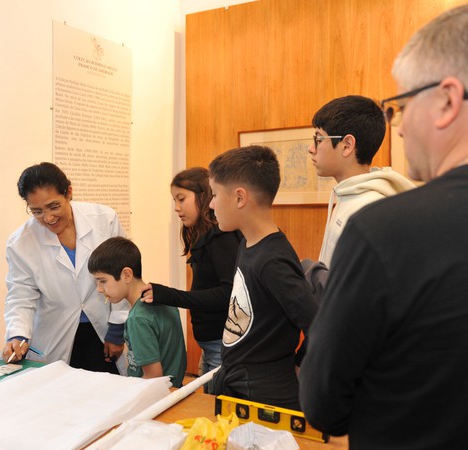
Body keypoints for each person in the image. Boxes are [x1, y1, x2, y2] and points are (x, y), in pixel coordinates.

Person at [299, 2, 468, 450]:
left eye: (401, 106)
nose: (398, 126)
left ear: (448, 101)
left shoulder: (384, 232)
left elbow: (323, 404)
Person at [208, 145, 315, 410]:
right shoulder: (247, 243)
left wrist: (301, 365)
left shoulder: (272, 261)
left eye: (215, 194)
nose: (211, 204)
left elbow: (319, 323)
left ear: (239, 198)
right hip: (240, 385)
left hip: (265, 397)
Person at [2, 162, 129, 375]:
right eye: (37, 211)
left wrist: (117, 328)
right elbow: (20, 295)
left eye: (54, 207)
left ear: (68, 193)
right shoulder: (21, 242)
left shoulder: (104, 219)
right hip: (56, 333)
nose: (48, 218)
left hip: (103, 329)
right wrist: (17, 335)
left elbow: (123, 277)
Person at [141, 168, 240, 389]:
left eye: (181, 199)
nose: (176, 208)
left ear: (203, 196)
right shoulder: (206, 237)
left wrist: (169, 295)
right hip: (212, 344)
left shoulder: (222, 238)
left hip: (222, 343)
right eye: (174, 200)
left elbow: (227, 294)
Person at [309, 95, 416, 267]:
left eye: (319, 139)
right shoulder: (347, 195)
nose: (311, 148)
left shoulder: (369, 211)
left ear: (347, 145)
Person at [88, 236, 187, 388]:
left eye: (103, 281)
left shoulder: (138, 318)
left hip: (156, 396)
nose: (99, 289)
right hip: (174, 389)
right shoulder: (164, 298)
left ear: (127, 275)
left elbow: (153, 377)